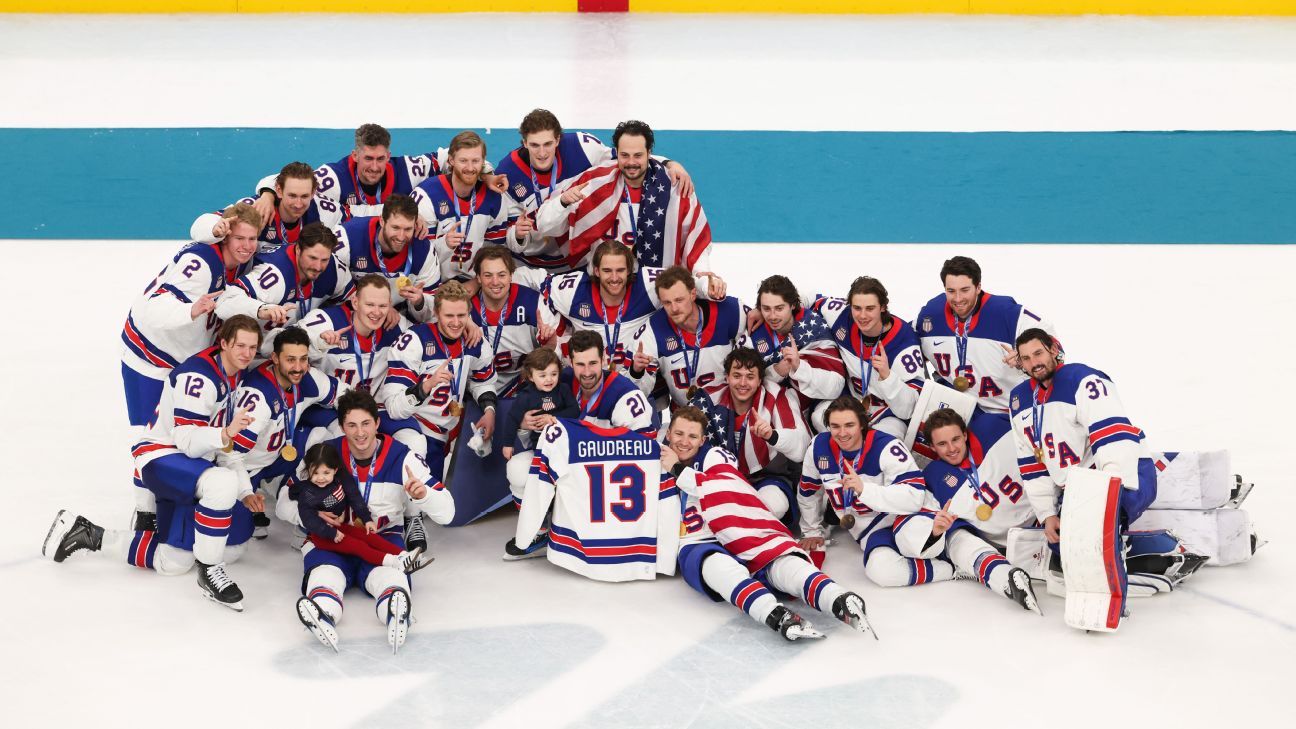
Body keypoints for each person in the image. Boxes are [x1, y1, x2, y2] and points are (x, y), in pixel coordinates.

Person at [46, 316, 268, 611]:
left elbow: (225, 449)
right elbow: (188, 440)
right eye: (240, 345)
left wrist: (244, 492)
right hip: (162, 458)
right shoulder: (199, 377)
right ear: (224, 343)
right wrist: (225, 434)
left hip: (191, 471)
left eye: (253, 347)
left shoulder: (234, 375)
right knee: (220, 483)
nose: (247, 353)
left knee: (179, 560)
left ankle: (89, 534)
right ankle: (209, 571)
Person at [1007, 328, 1204, 618]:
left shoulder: (1082, 379)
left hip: (1123, 476)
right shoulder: (1019, 401)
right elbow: (1032, 465)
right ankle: (1149, 546)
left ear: (1052, 349)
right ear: (1020, 364)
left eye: (1038, 353)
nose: (1034, 362)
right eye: (1026, 358)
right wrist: (1048, 513)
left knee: (1093, 535)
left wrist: (1105, 497)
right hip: (1077, 490)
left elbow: (1112, 437)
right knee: (1061, 548)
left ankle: (1116, 563)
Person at [663, 407, 875, 641]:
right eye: (679, 434)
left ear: (703, 439)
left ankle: (837, 598)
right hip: (697, 539)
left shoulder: (715, 455)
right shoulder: (652, 460)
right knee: (718, 568)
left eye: (692, 436)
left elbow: (720, 485)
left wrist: (676, 468)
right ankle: (774, 614)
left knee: (780, 563)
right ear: (668, 433)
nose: (684, 442)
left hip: (737, 527)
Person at [283, 390, 454, 654]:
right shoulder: (325, 455)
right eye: (351, 425)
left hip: (381, 536)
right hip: (333, 539)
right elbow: (285, 501)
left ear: (377, 423)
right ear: (342, 427)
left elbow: (448, 512)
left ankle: (395, 609)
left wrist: (424, 495)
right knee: (324, 574)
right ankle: (323, 611)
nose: (359, 432)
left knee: (389, 576)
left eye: (365, 424)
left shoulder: (403, 457)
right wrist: (309, 515)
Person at [121, 208, 260, 528]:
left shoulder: (241, 264)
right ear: (225, 235)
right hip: (150, 358)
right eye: (240, 238)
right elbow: (156, 309)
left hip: (186, 363)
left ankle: (173, 500)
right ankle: (145, 512)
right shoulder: (200, 263)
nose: (247, 245)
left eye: (252, 239)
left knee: (185, 434)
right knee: (149, 438)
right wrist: (190, 311)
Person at [535, 120, 721, 296]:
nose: (631, 162)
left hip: (657, 293)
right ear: (617, 152)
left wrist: (704, 279)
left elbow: (696, 238)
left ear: (649, 153)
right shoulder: (594, 181)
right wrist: (563, 203)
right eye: (624, 155)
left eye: (638, 155)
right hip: (604, 290)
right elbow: (544, 224)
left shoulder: (675, 187)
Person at [495, 109, 693, 273]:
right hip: (530, 264)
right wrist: (518, 235)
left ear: (558, 139)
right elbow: (507, 235)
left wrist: (668, 163)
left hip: (575, 260)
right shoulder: (507, 173)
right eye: (534, 145)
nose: (542, 152)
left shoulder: (582, 146)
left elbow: (626, 158)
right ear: (524, 143)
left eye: (548, 144)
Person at [506, 417, 679, 582]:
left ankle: (536, 535)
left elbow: (540, 484)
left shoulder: (562, 435)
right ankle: (538, 535)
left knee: (519, 469)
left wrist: (523, 537)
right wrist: (666, 561)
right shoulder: (656, 451)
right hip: (636, 556)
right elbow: (668, 505)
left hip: (576, 554)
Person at [216, 327, 347, 537]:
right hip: (248, 467)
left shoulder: (307, 377)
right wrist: (245, 493)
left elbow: (343, 394)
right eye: (291, 360)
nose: (298, 367)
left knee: (334, 437)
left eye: (303, 359)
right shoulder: (257, 399)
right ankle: (262, 489)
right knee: (234, 546)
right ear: (275, 358)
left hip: (281, 454)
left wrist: (361, 418)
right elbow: (229, 455)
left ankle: (307, 521)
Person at [797, 397, 940, 588]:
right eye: (835, 426)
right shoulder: (818, 447)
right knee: (881, 572)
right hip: (871, 530)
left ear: (862, 424)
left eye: (849, 425)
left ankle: (955, 556)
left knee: (917, 544)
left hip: (907, 518)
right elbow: (808, 490)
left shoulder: (886, 446)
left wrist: (864, 489)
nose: (842, 433)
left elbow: (914, 497)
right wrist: (811, 529)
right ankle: (950, 570)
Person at [249, 123, 503, 221]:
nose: (374, 166)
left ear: (388, 156)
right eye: (368, 158)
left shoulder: (407, 169)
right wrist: (269, 195)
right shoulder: (334, 177)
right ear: (355, 155)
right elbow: (290, 180)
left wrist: (486, 173)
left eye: (381, 158)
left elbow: (451, 155)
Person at [378, 281, 500, 479]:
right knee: (421, 491)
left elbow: (483, 381)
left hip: (447, 429)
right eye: (449, 315)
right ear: (435, 312)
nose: (456, 322)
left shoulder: (475, 341)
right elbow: (393, 407)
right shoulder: (415, 340)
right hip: (414, 425)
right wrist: (426, 386)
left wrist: (489, 410)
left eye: (461, 315)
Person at [913, 256, 1057, 414]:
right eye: (951, 291)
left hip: (1004, 410)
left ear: (978, 287)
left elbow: (1056, 349)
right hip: (956, 407)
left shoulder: (1007, 314)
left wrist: (1025, 357)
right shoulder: (931, 315)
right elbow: (903, 340)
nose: (958, 299)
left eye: (965, 290)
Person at [687, 348, 809, 522]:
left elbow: (801, 447)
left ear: (760, 380)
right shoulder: (707, 399)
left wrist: (772, 435)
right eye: (737, 375)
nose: (743, 383)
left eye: (750, 377)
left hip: (766, 478)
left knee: (775, 505)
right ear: (727, 377)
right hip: (720, 478)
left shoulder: (776, 396)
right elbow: (683, 432)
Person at [815, 276, 926, 438]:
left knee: (882, 440)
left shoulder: (905, 344)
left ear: (883, 307)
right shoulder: (841, 315)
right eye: (857, 308)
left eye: (870, 308)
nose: (862, 315)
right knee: (819, 418)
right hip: (848, 403)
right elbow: (809, 299)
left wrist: (887, 377)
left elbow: (910, 409)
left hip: (887, 414)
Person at [291, 443, 424, 573]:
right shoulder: (307, 494)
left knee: (369, 537)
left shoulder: (340, 477)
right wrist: (330, 533)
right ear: (308, 470)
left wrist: (366, 519)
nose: (320, 478)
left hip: (340, 526)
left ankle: (406, 556)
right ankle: (396, 563)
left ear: (335, 470)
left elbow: (354, 496)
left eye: (326, 472)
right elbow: (309, 520)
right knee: (358, 546)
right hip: (323, 535)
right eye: (315, 473)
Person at [215, 222, 349, 352]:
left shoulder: (334, 270)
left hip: (282, 345)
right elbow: (224, 301)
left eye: (324, 260)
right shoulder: (275, 276)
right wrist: (262, 309)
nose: (318, 267)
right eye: (312, 258)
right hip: (243, 349)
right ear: (298, 249)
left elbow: (353, 303)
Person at [626, 265, 748, 406]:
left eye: (679, 300)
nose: (674, 308)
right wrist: (636, 372)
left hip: (728, 412)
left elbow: (762, 336)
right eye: (667, 303)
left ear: (693, 294)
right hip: (684, 418)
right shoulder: (652, 330)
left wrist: (758, 313)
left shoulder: (729, 310)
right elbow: (635, 393)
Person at [411, 131, 517, 284]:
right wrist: (444, 244)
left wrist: (476, 284)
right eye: (463, 161)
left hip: (474, 283)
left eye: (475, 161)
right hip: (432, 284)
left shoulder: (493, 197)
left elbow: (496, 251)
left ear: (483, 162)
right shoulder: (427, 195)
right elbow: (416, 255)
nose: (469, 167)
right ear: (451, 160)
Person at [542, 240, 668, 368]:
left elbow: (685, 286)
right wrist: (558, 332)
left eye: (620, 270)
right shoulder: (575, 291)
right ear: (596, 271)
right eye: (607, 271)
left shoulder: (649, 286)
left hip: (636, 380)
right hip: (589, 378)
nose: (614, 278)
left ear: (629, 270)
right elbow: (537, 283)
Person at [747, 275, 846, 426]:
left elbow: (836, 386)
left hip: (824, 401)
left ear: (793, 305)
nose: (772, 316)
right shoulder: (753, 334)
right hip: (784, 407)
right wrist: (777, 371)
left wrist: (800, 368)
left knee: (825, 420)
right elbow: (746, 382)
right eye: (766, 309)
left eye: (779, 308)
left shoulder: (814, 325)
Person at [194, 161, 347, 252]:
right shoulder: (255, 208)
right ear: (279, 190)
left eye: (305, 196)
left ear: (313, 192)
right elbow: (198, 227)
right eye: (292, 195)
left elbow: (359, 222)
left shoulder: (324, 211)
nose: (298, 204)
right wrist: (214, 229)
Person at [332, 195, 440, 323]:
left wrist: (419, 302)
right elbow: (331, 286)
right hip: (351, 315)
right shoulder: (347, 237)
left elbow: (433, 313)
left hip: (396, 320)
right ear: (382, 221)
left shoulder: (424, 250)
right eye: (395, 228)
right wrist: (378, 305)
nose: (401, 236)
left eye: (408, 229)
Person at [469, 246, 560, 396]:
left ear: (511, 275)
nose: (495, 282)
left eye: (502, 275)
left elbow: (554, 358)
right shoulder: (465, 309)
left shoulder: (532, 303)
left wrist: (550, 345)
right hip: (476, 389)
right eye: (488, 275)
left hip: (525, 388)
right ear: (478, 278)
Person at [499, 348, 580, 514]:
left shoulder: (563, 390)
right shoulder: (526, 396)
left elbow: (575, 412)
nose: (549, 379)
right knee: (541, 481)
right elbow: (512, 419)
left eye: (554, 374)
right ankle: (541, 519)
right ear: (530, 376)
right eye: (542, 375)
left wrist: (553, 418)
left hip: (566, 446)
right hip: (541, 448)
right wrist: (507, 444)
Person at [299, 273, 409, 394]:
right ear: (355, 302)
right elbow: (287, 344)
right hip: (326, 406)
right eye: (370, 305)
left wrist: (420, 302)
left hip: (367, 408)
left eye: (383, 306)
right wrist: (319, 343)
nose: (377, 312)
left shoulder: (396, 325)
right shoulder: (326, 321)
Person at [563, 330, 655, 434]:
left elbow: (646, 444)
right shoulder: (562, 381)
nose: (587, 372)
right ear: (571, 362)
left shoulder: (625, 394)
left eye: (593, 363)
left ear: (603, 359)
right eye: (580, 364)